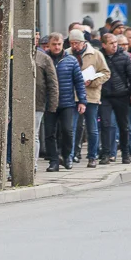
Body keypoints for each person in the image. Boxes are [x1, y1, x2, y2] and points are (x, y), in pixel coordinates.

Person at [67, 29, 110, 167]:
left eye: (77, 43)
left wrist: (92, 82)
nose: (75, 46)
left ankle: (92, 156)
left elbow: (105, 73)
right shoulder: (67, 54)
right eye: (72, 43)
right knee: (72, 128)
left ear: (83, 42)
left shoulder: (95, 54)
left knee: (92, 128)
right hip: (72, 95)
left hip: (90, 95)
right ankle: (70, 155)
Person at [45, 33, 87, 171]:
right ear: (49, 45)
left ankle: (67, 155)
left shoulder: (71, 60)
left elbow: (79, 82)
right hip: (49, 102)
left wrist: (82, 101)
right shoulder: (44, 59)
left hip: (67, 102)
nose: (56, 47)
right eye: (54, 44)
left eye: (59, 44)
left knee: (67, 131)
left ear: (63, 44)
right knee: (50, 133)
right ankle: (53, 160)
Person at [99, 32, 131, 165]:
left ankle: (125, 153)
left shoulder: (124, 57)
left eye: (115, 43)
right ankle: (106, 154)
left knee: (124, 126)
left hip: (122, 95)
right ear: (104, 45)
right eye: (111, 43)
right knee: (106, 125)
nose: (114, 46)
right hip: (105, 96)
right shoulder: (99, 57)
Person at [35, 36, 59, 171]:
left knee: (34, 134)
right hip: (15, 103)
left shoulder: (43, 58)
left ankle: (33, 165)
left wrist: (52, 104)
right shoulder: (13, 56)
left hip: (38, 102)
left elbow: (52, 83)